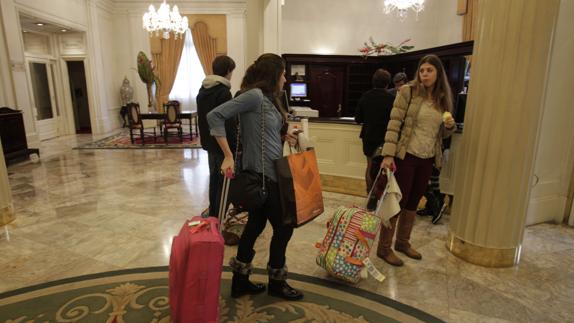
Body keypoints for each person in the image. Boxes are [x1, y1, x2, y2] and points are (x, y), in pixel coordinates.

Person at [207, 53, 303, 300]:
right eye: (282, 72)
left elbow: (261, 132)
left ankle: (240, 280)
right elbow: (214, 116)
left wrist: (284, 136)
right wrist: (227, 155)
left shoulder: (270, 100)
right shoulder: (254, 96)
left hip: (271, 174)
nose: (285, 77)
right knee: (283, 228)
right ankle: (277, 282)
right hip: (262, 176)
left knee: (255, 225)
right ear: (273, 74)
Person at [377, 54, 456, 266]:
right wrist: (388, 154)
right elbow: (394, 123)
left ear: (438, 73)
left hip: (428, 157)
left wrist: (449, 128)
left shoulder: (442, 98)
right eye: (422, 70)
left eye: (429, 70)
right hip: (406, 155)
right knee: (396, 201)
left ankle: (402, 242)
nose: (425, 74)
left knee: (413, 201)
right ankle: (384, 248)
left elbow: (442, 134)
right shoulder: (407, 92)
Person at [196, 55, 236, 218]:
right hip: (222, 142)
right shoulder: (223, 92)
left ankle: (213, 210)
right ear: (228, 71)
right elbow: (227, 122)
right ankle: (218, 215)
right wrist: (231, 148)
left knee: (213, 177)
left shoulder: (203, 89)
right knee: (223, 181)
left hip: (208, 141)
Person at [354, 69, 395, 208]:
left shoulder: (366, 96)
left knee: (370, 165)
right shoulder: (392, 98)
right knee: (384, 169)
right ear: (388, 83)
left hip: (368, 136)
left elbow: (358, 119)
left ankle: (370, 196)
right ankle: (380, 197)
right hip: (385, 138)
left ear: (373, 81)